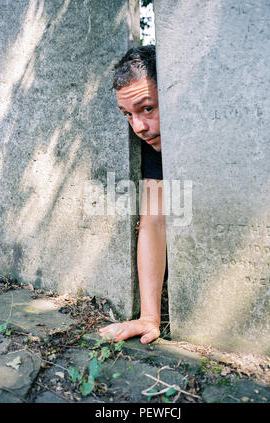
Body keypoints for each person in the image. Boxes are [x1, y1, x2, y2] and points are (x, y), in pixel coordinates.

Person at [99, 45, 167, 344]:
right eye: (128, 114)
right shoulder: (153, 145)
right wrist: (150, 316)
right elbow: (153, 221)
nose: (139, 127)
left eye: (147, 108)